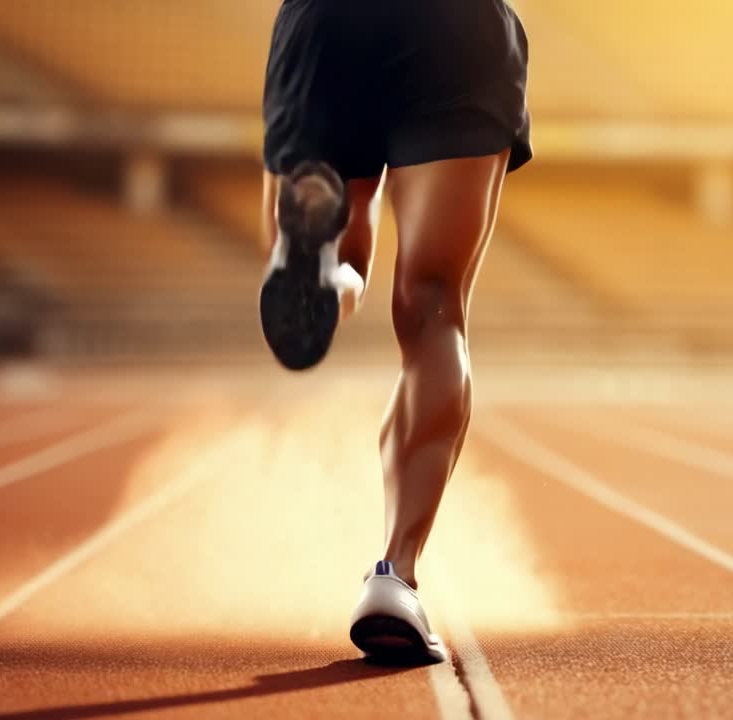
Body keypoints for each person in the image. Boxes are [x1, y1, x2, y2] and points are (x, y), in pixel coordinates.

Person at [258, 0, 531, 665]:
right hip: (455, 29)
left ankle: (327, 274)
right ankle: (395, 576)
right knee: (433, 306)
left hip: (327, 21)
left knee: (344, 246)